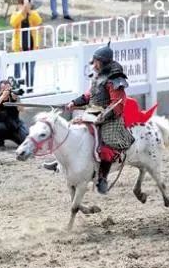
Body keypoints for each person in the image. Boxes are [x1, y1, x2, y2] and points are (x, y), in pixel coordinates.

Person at [43, 42, 134, 194]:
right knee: (72, 130)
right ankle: (60, 164)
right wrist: (74, 102)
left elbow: (117, 105)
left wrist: (103, 117)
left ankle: (103, 178)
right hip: (93, 112)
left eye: (97, 61)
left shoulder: (115, 78)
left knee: (106, 146)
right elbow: (89, 94)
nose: (94, 63)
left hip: (111, 117)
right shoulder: (98, 74)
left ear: (103, 62)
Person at [10, 0, 42, 94]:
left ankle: (30, 88)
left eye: (28, 4)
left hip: (32, 47)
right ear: (19, 5)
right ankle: (17, 90)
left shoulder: (33, 14)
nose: (26, 6)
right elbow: (13, 22)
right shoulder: (16, 14)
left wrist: (28, 12)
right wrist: (22, 12)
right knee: (18, 70)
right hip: (19, 48)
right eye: (24, 4)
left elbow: (38, 21)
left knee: (30, 69)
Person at [0, 79, 28, 149]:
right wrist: (2, 97)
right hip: (3, 126)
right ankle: (1, 143)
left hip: (15, 125)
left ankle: (16, 138)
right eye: (4, 90)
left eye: (9, 89)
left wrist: (16, 100)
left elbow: (22, 109)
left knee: (25, 140)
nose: (7, 92)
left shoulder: (14, 97)